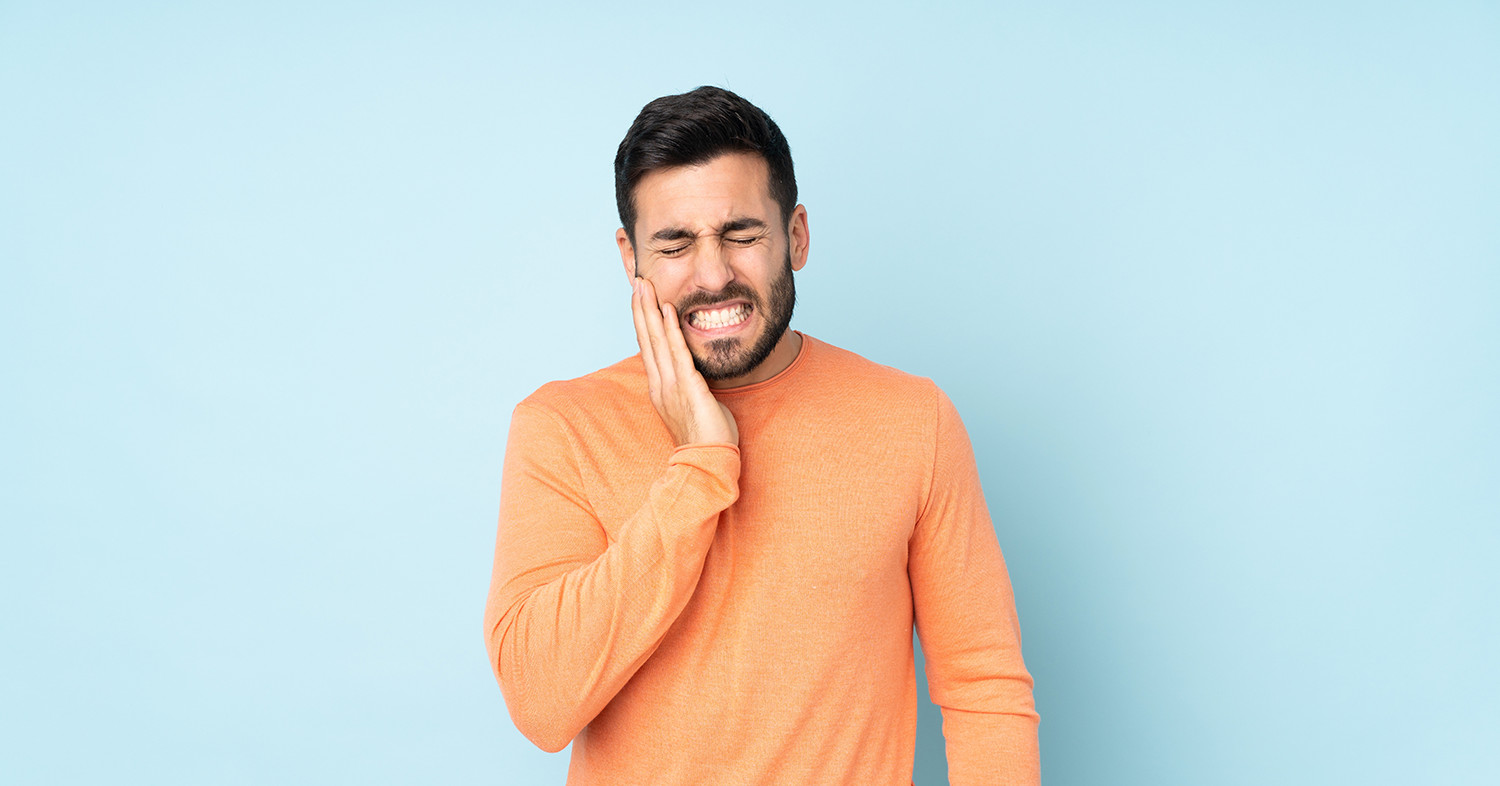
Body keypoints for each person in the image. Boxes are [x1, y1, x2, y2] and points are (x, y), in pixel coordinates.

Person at [483, 86, 1039, 785]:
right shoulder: (562, 427)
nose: (713, 275)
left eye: (741, 234)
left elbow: (984, 689)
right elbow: (541, 703)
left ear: (796, 236)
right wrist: (701, 465)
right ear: (630, 256)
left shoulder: (912, 420)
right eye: (675, 243)